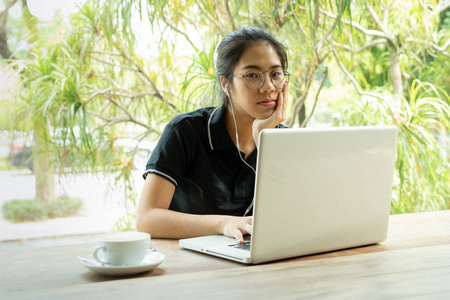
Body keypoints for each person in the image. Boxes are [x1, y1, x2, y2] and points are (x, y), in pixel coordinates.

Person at [136, 26, 289, 243]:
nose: (268, 87)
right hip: (187, 265)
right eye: (252, 75)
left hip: (256, 263)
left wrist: (263, 138)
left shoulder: (284, 141)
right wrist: (223, 224)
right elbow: (146, 219)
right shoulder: (185, 131)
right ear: (226, 84)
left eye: (276, 74)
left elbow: (289, 219)